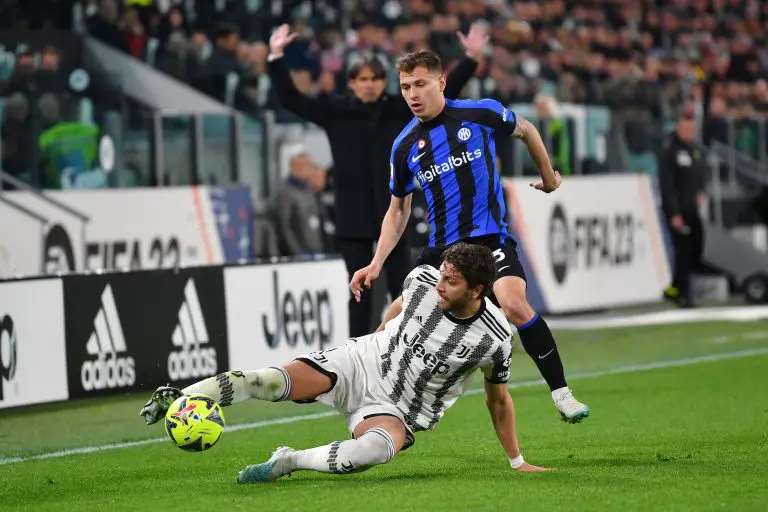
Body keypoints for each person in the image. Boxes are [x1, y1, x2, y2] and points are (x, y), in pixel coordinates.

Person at [139, 243, 548, 481]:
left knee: (371, 451)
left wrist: (517, 460)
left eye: (452, 282)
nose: (441, 285)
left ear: (478, 290)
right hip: (361, 362)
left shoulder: (494, 338)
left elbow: (498, 400)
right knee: (268, 381)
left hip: (398, 410)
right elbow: (403, 303)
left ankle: (290, 460)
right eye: (442, 275)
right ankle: (182, 398)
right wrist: (377, 333)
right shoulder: (423, 280)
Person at [349, 50, 589, 423]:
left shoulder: (479, 113)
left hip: (489, 239)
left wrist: (548, 177)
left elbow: (526, 129)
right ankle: (365, 396)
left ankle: (562, 394)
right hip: (443, 249)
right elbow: (398, 211)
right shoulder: (404, 145)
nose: (412, 94)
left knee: (512, 303)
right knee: (391, 320)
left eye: (420, 84)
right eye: (405, 87)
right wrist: (376, 263)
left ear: (441, 82)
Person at [267, 23, 487, 338]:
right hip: (351, 215)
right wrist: (275, 58)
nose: (368, 85)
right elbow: (291, 99)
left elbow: (445, 90)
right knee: (358, 292)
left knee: (406, 287)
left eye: (374, 79)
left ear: (385, 82)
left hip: (394, 213)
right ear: (352, 83)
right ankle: (356, 351)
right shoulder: (336, 111)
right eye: (361, 79)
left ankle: (408, 345)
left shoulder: (401, 108)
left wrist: (471, 58)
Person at [660, 114, 707, 308]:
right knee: (684, 251)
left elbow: (700, 173)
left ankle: (675, 287)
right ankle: (684, 295)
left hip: (692, 209)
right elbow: (667, 185)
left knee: (697, 247)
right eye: (688, 129)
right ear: (680, 128)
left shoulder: (694, 150)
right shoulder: (670, 152)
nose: (691, 133)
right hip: (678, 210)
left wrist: (701, 191)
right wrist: (674, 213)